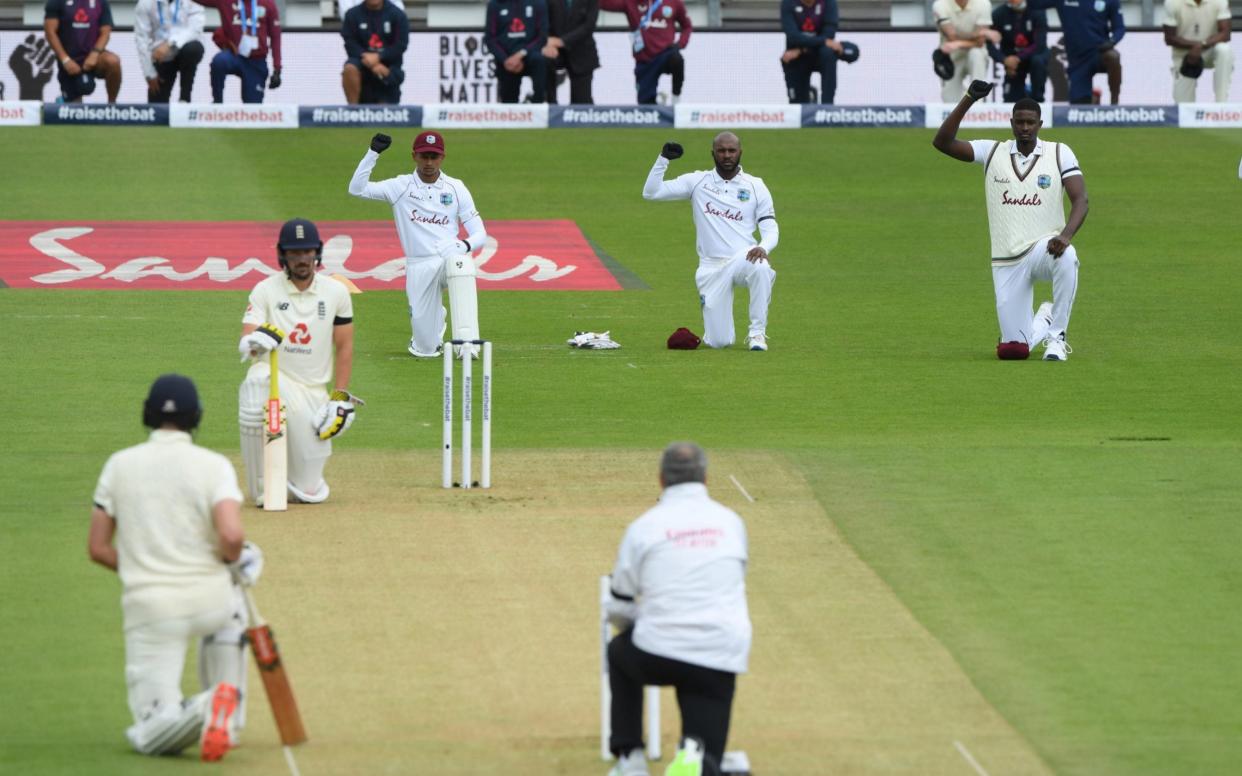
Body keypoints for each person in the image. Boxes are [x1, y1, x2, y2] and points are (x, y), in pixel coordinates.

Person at [89, 374, 263, 762]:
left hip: (152, 609)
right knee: (232, 595)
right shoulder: (214, 465)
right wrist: (229, 563)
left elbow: (98, 548)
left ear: (147, 415)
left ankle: (203, 709)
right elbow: (232, 537)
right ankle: (226, 717)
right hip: (210, 600)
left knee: (149, 732)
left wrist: (141, 566)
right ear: (195, 418)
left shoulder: (119, 465)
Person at [602, 442, 751, 776]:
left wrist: (637, 627)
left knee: (619, 653)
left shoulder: (644, 526)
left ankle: (632, 757)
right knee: (704, 760)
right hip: (719, 653)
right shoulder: (732, 522)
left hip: (658, 650)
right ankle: (695, 754)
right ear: (706, 478)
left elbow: (619, 600)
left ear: (661, 480)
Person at [932, 81, 1087, 361]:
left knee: (1068, 257)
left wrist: (1065, 236)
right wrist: (968, 99)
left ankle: (1057, 339)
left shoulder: (1059, 152)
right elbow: (942, 142)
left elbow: (1081, 200)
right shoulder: (992, 151)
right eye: (1020, 123)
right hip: (1007, 260)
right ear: (1011, 123)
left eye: (1030, 123)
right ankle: (1045, 318)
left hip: (1044, 248)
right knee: (1013, 351)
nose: (1025, 128)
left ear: (1040, 123)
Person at [238, 218, 359, 505]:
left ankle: (296, 483)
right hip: (278, 383)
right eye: (294, 252)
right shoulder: (265, 290)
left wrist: (339, 397)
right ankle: (262, 489)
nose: (302, 259)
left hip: (313, 393)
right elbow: (247, 339)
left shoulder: (336, 292)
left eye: (306, 252)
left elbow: (344, 346)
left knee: (308, 487)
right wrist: (254, 343)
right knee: (257, 377)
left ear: (317, 253)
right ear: (283, 255)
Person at [348, 132, 488, 359]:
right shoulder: (400, 186)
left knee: (461, 264)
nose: (429, 162)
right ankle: (432, 322)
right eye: (424, 156)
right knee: (425, 350)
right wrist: (372, 154)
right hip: (418, 265)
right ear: (415, 156)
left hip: (447, 259)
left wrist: (462, 246)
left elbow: (480, 233)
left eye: (434, 156)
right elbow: (357, 189)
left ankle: (467, 343)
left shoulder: (456, 187)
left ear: (442, 157)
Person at [641, 133, 778, 352]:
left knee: (761, 267)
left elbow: (770, 227)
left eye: (731, 151)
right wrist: (662, 160)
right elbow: (651, 193)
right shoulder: (697, 181)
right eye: (721, 151)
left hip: (744, 257)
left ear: (740, 152)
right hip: (711, 267)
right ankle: (715, 331)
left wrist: (764, 247)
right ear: (712, 153)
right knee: (719, 342)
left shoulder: (755, 185)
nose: (726, 155)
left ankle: (757, 334)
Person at [1028, 0, 1124, 104]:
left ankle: (1115, 104)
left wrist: (1112, 41)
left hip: (1099, 52)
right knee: (1079, 107)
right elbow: (1034, 4)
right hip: (1078, 61)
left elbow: (1119, 27)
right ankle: (1092, 100)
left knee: (1113, 56)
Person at [600, 0, 692, 105]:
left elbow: (687, 26)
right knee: (646, 107)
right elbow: (603, 3)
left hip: (665, 53)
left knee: (677, 59)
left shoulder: (673, 2)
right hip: (644, 60)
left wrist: (680, 44)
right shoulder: (630, 2)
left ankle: (676, 98)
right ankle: (658, 102)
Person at [192, 0, 282, 103]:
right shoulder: (226, 1)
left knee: (253, 110)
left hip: (256, 61)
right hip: (235, 55)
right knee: (219, 62)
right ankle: (217, 103)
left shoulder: (268, 4)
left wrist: (277, 69)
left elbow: (275, 37)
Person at [43, 0, 122, 103]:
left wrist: (94, 54)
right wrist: (65, 60)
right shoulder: (56, 2)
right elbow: (50, 32)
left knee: (113, 61)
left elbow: (105, 32)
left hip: (93, 58)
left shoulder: (101, 2)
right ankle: (63, 100)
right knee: (74, 112)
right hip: (70, 60)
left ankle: (112, 106)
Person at [134, 0, 206, 103]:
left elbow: (195, 29)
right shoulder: (145, 3)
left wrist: (170, 44)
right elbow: (141, 39)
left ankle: (184, 99)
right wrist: (149, 72)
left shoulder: (193, 1)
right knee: (156, 107)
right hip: (161, 56)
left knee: (192, 50)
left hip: (186, 48)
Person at [1163, 0, 1234, 103]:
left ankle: (1221, 104)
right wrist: (1195, 46)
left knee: (1224, 50)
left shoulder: (1219, 1)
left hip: (1210, 50)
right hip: (1184, 55)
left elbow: (1225, 34)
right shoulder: (1173, 2)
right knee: (1183, 107)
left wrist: (1201, 45)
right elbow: (1169, 38)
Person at [340, 0, 409, 104]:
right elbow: (349, 42)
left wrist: (379, 57)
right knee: (350, 69)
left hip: (387, 68)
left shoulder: (398, 15)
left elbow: (400, 45)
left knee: (384, 114)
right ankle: (352, 111)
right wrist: (368, 60)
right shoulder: (352, 15)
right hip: (362, 63)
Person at [931, 0, 999, 102]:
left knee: (976, 53)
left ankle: (978, 104)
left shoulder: (983, 4)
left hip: (974, 52)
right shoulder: (940, 5)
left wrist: (958, 44)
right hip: (951, 57)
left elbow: (980, 43)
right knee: (950, 102)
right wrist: (981, 33)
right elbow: (952, 37)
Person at [779, 0, 845, 104]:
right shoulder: (788, 3)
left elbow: (829, 35)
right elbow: (793, 37)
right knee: (789, 57)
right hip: (797, 56)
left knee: (828, 52)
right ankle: (803, 100)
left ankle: (827, 108)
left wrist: (801, 49)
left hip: (818, 53)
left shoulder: (829, 3)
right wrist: (821, 42)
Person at [484, 0, 549, 103]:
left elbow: (542, 37)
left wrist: (521, 54)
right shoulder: (495, 5)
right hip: (507, 59)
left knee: (539, 60)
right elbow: (490, 39)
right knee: (509, 101)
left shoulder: (538, 3)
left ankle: (538, 102)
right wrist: (505, 59)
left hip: (529, 54)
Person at [988, 0, 1049, 103]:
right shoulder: (999, 14)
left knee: (1038, 62)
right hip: (1011, 62)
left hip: (1032, 57)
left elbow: (1039, 44)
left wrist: (1018, 58)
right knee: (1011, 101)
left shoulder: (1037, 11)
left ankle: (1038, 99)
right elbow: (989, 44)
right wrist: (1004, 59)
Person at [543, 0, 599, 104]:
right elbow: (541, 20)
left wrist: (562, 41)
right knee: (543, 62)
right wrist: (547, 42)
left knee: (581, 103)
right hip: (553, 50)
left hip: (582, 52)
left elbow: (589, 25)